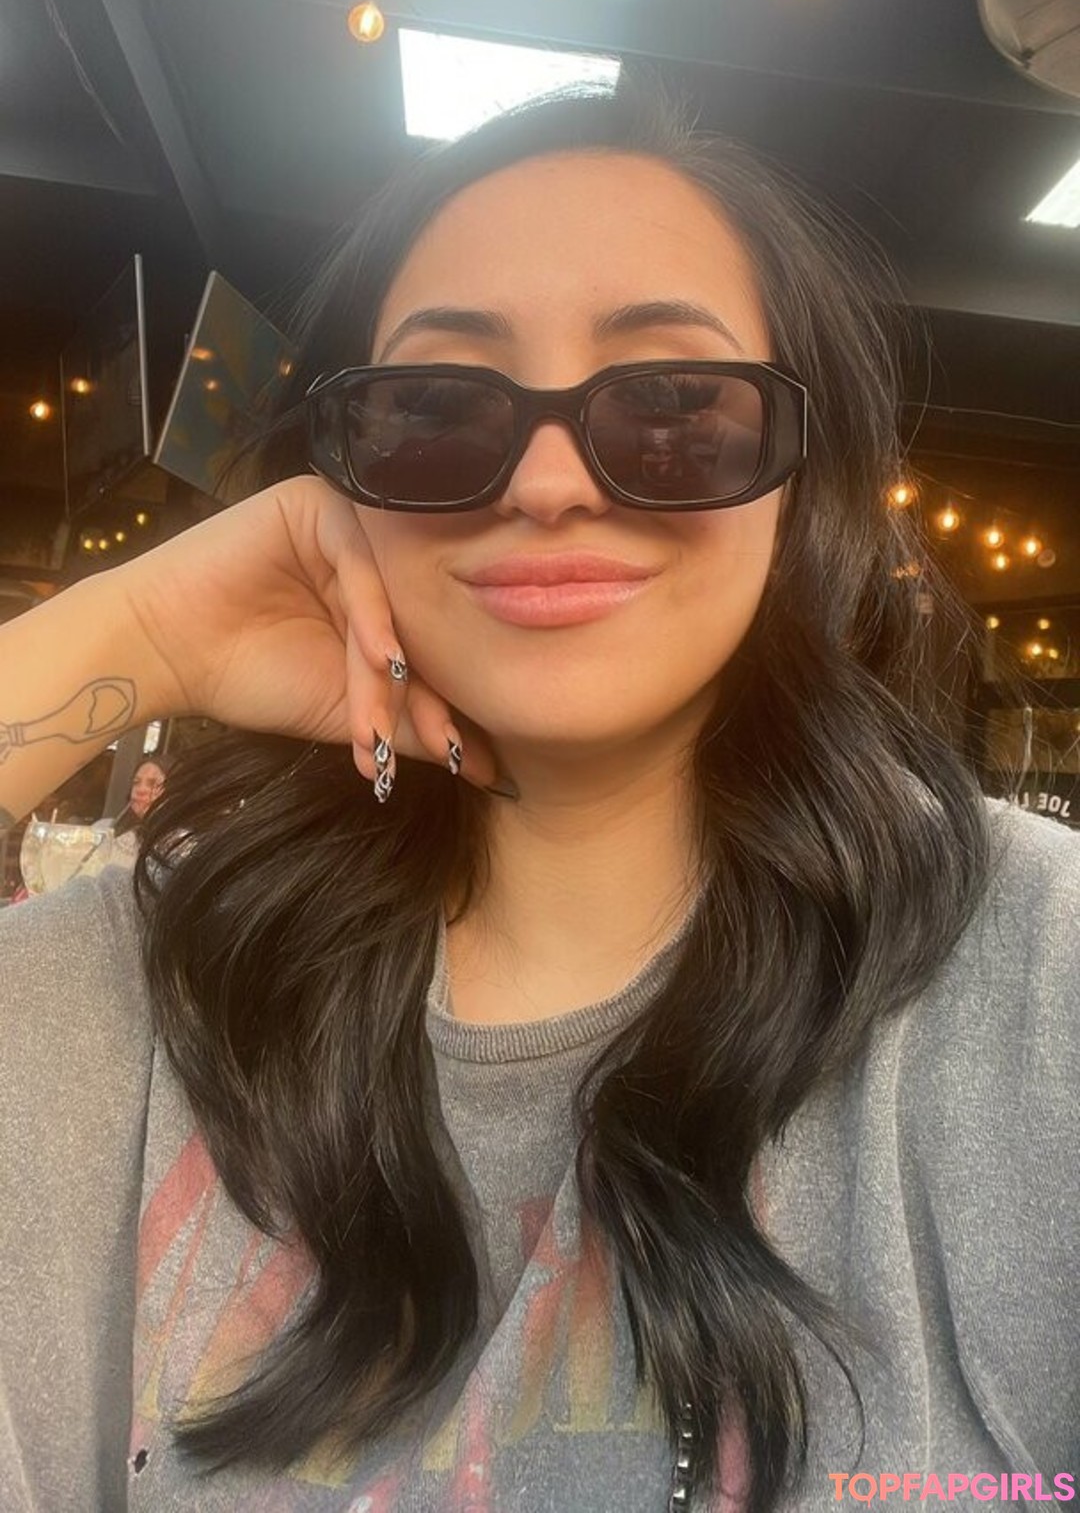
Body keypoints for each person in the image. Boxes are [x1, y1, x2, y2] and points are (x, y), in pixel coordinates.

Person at [0, 84, 1075, 1513]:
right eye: (438, 409)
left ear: (797, 477)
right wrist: (136, 632)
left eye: (676, 404)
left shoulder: (1037, 975)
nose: (551, 483)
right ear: (348, 477)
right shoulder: (138, 996)